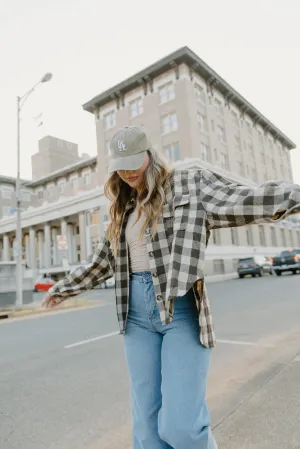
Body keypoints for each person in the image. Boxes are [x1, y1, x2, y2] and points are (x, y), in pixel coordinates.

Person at [42, 125, 300, 449]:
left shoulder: (191, 185)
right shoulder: (122, 209)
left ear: (150, 155)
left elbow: (244, 199)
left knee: (182, 429)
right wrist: (62, 289)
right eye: (120, 165)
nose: (128, 171)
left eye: (134, 161)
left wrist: (294, 197)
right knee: (147, 434)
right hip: (135, 317)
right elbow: (102, 262)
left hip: (180, 310)